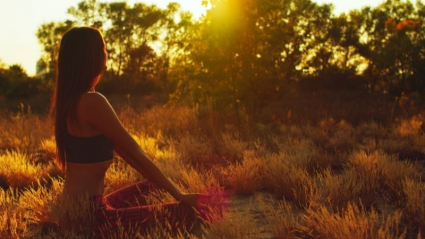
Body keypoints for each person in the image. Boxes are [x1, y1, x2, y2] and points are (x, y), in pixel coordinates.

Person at [51, 26, 215, 238]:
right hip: (91, 217)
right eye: (103, 47)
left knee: (151, 188)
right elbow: (137, 153)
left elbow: (129, 155)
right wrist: (181, 196)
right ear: (91, 56)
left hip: (76, 211)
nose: (106, 52)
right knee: (187, 213)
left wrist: (173, 192)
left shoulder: (71, 101)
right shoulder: (92, 102)